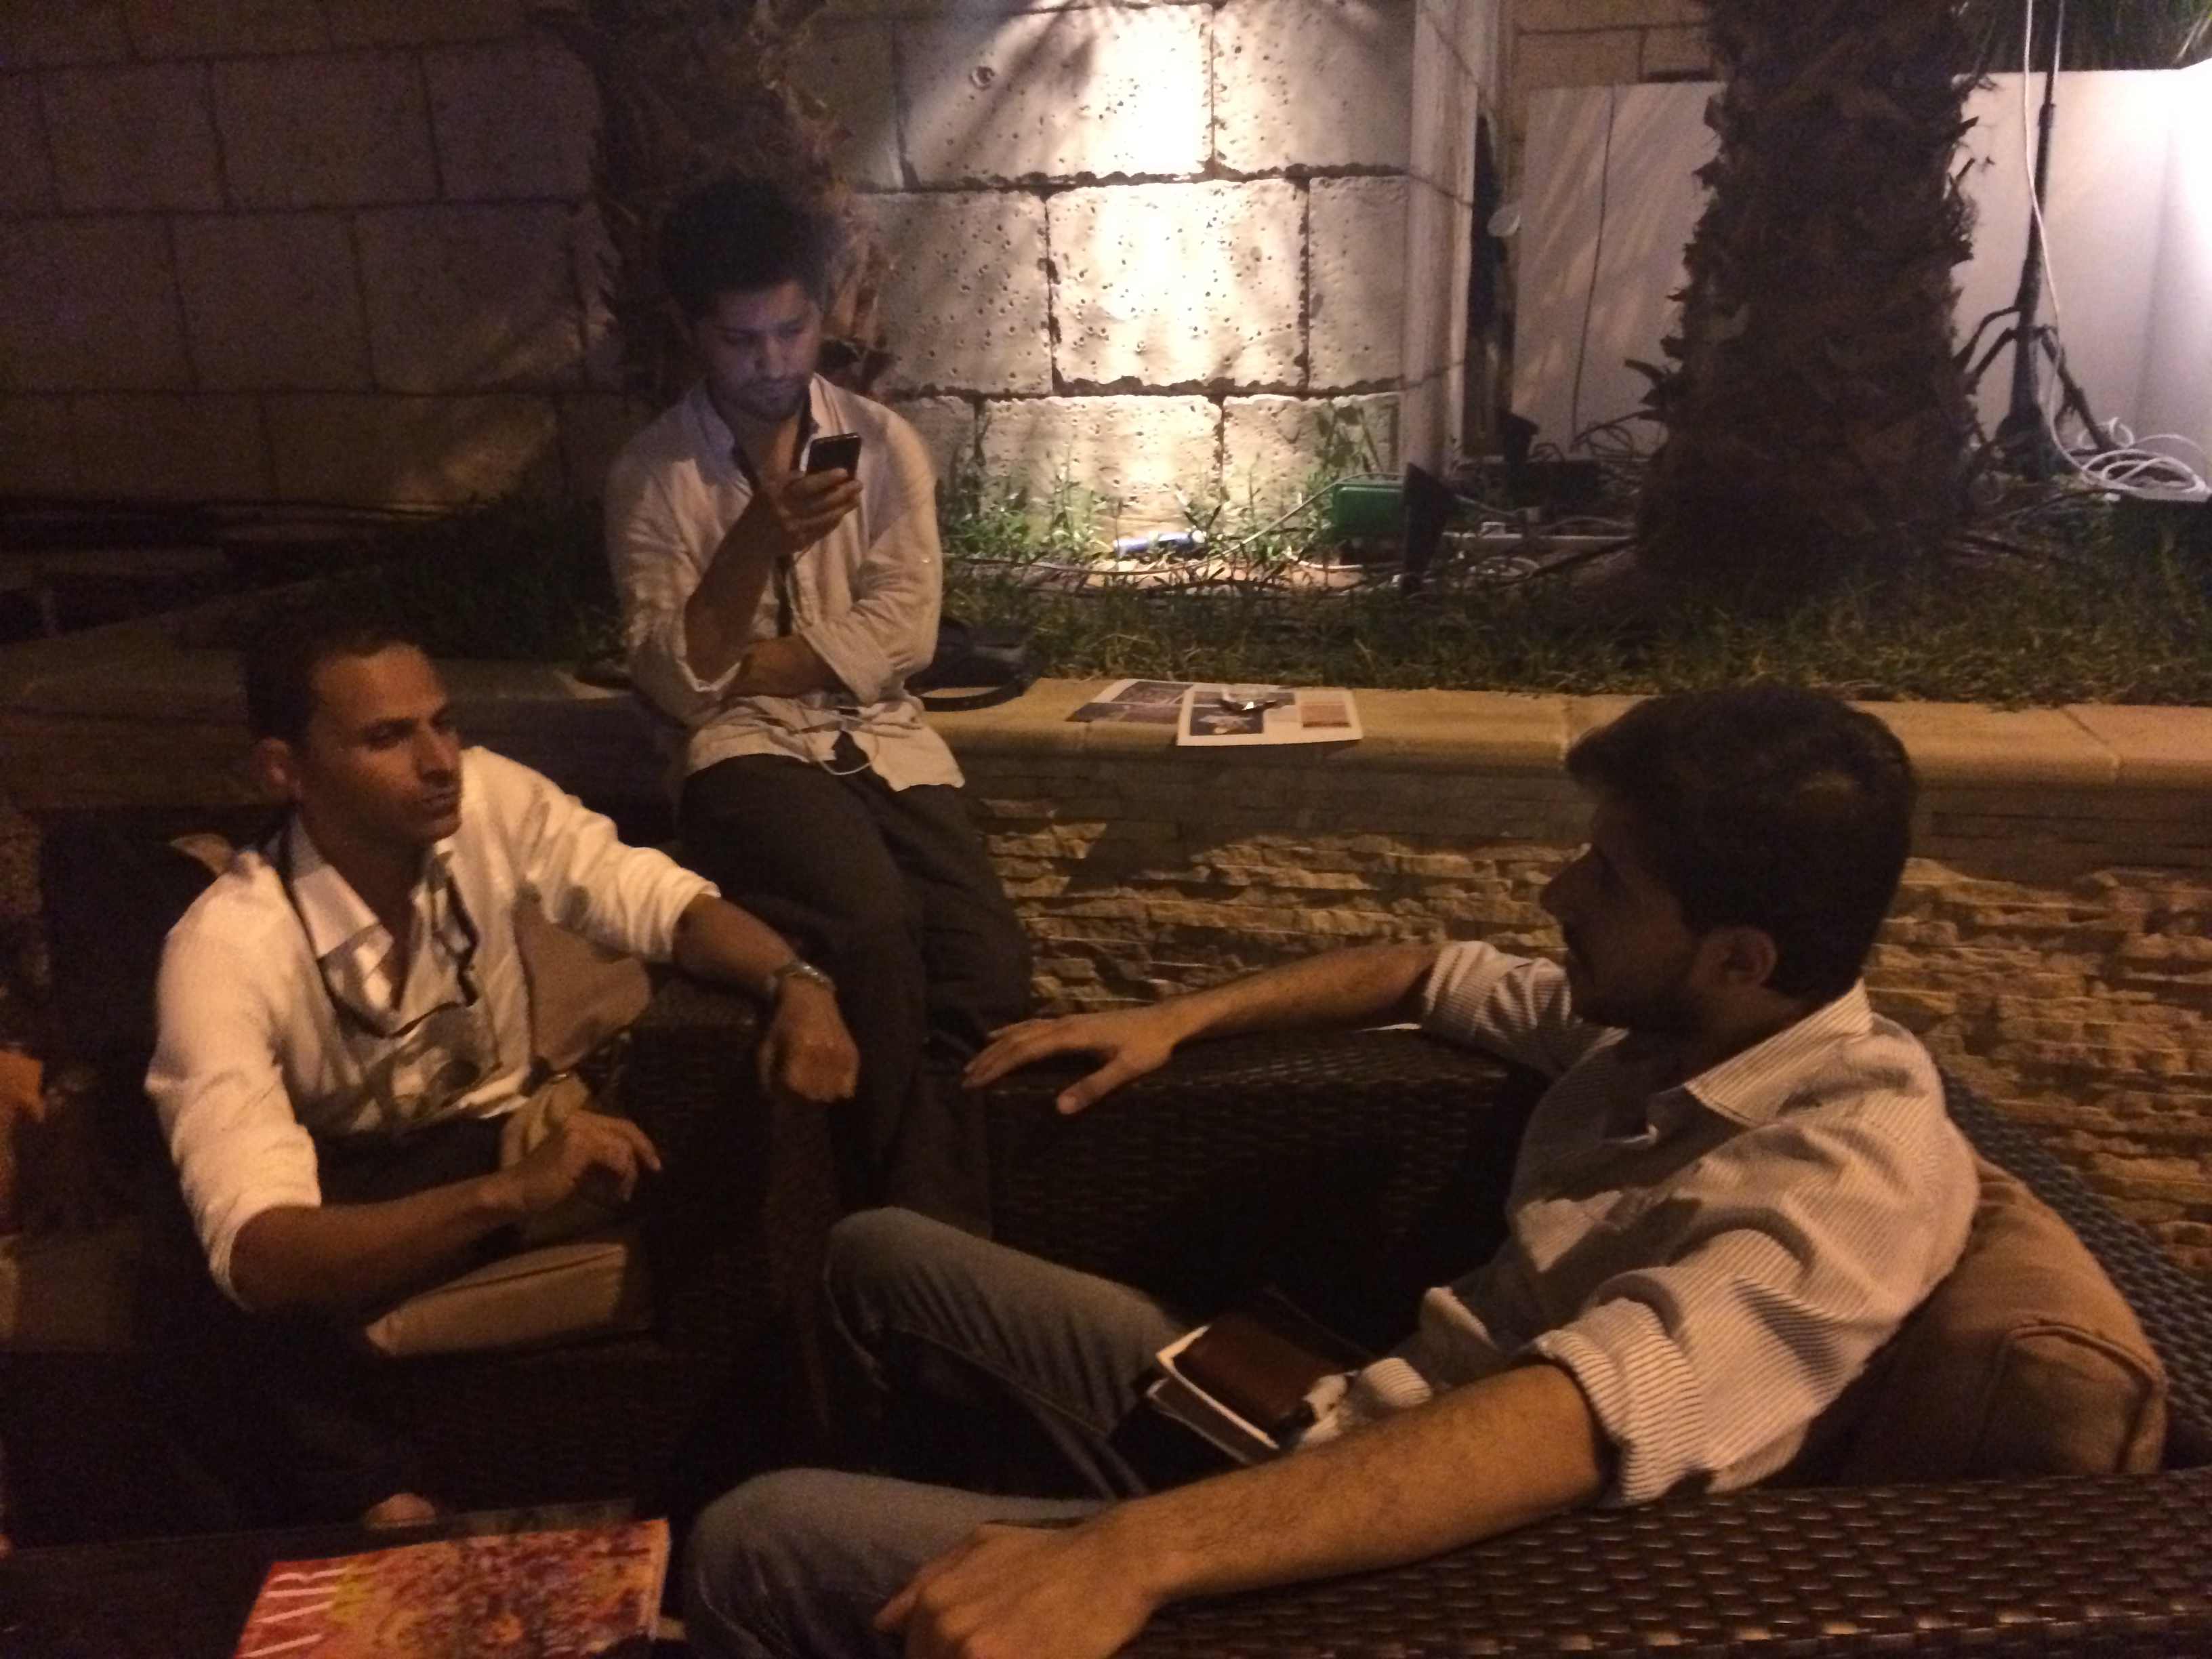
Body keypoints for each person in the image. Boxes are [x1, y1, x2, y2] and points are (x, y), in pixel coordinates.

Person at [682, 684, 1982, 1659]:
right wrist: (1174, 1020)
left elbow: (1579, 1420)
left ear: (1739, 957)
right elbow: (1427, 975)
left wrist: (1128, 1555)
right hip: (1322, 1418)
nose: (1557, 893)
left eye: (1609, 878)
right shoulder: (1675, 1024)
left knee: (757, 1539)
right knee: (877, 1257)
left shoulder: (1845, 1178)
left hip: (1395, 1567)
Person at [142, 613, 861, 1527]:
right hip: (336, 1170)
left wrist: (797, 982)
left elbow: (665, 905)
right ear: (285, 770)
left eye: (442, 723)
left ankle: (755, 1495)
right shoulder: (227, 949)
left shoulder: (490, 801)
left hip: (493, 1127)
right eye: (387, 738)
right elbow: (259, 1255)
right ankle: (375, 1509)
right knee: (203, 1264)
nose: (438, 761)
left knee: (703, 1175)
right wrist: (507, 1196)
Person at [605, 175, 1030, 1233]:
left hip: (885, 742)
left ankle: (914, 1231)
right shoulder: (654, 474)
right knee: (874, 933)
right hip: (742, 757)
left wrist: (740, 662)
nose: (773, 361)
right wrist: (757, 536)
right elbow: (676, 683)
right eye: (742, 340)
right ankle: (921, 1239)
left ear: (822, 314)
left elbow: (903, 635)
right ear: (695, 332)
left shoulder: (881, 444)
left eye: (791, 331)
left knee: (983, 964)